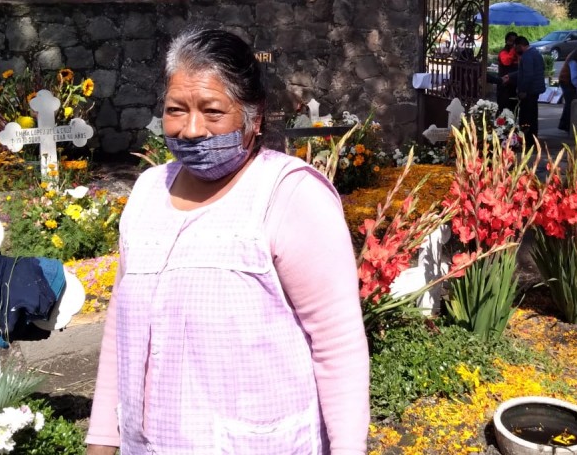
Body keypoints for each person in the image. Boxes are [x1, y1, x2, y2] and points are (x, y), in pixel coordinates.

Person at [86, 29, 370, 455]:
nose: (192, 130)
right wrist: (103, 441)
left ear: (254, 118)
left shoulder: (290, 196)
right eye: (176, 110)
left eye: (213, 112)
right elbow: (120, 334)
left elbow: (338, 346)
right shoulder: (148, 193)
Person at [503, 36, 545, 142]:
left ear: (520, 46)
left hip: (529, 91)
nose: (515, 51)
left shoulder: (527, 56)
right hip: (535, 90)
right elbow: (526, 72)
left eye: (515, 48)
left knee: (526, 117)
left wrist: (522, 91)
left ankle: (527, 139)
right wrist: (511, 76)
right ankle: (532, 138)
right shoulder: (536, 53)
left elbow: (528, 75)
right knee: (532, 116)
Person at [558, 47, 577, 134]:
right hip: (566, 81)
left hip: (568, 81)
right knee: (570, 103)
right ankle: (567, 126)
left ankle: (564, 125)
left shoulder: (576, 54)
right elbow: (574, 78)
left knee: (569, 103)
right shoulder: (574, 59)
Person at [496, 32, 518, 110]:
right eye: (511, 41)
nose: (512, 43)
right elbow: (506, 62)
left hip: (514, 86)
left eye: (515, 41)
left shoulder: (518, 54)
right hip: (504, 86)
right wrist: (513, 50)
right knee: (503, 109)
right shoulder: (503, 52)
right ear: (506, 41)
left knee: (513, 109)